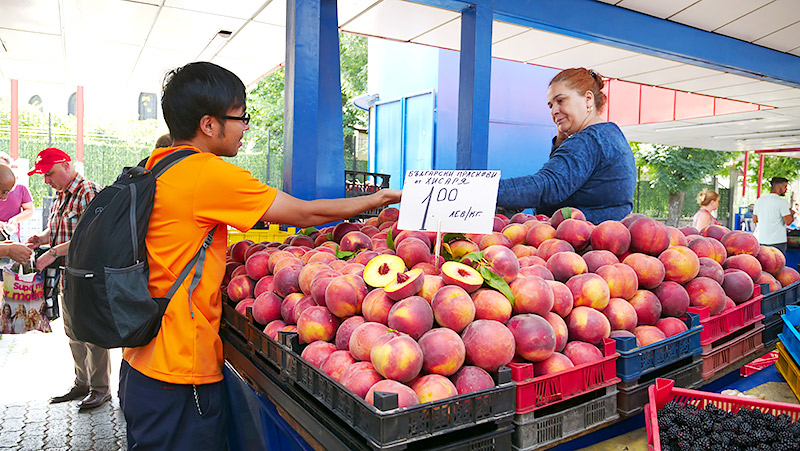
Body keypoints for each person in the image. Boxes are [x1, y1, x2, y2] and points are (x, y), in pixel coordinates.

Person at [118, 61, 401, 450]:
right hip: (179, 368)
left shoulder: (158, 164)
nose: (246, 126)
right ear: (209, 125)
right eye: (241, 116)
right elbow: (306, 214)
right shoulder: (207, 174)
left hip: (142, 361)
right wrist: (378, 199)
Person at [26, 147, 111, 410]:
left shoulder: (88, 192)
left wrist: (51, 252)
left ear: (65, 165)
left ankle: (101, 388)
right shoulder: (64, 194)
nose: (46, 181)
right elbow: (59, 227)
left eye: (49, 174)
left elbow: (91, 238)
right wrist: (41, 238)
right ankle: (82, 382)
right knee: (73, 331)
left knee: (93, 333)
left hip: (87, 275)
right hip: (68, 276)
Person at [496, 68, 636, 224]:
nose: (554, 111)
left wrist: (480, 189)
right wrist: (561, 143)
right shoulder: (610, 135)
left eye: (561, 100)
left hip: (580, 243)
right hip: (607, 237)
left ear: (588, 99)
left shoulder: (589, 140)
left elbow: (547, 186)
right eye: (551, 105)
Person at [753, 176, 794, 253]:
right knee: (777, 264)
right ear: (778, 187)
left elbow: (755, 220)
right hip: (778, 242)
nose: (786, 189)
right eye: (785, 187)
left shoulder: (759, 201)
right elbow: (788, 222)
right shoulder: (782, 202)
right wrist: (791, 214)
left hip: (762, 240)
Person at [0, 152, 34, 242]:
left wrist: (15, 219)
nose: (4, 197)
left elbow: (29, 210)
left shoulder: (21, 188)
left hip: (11, 234)